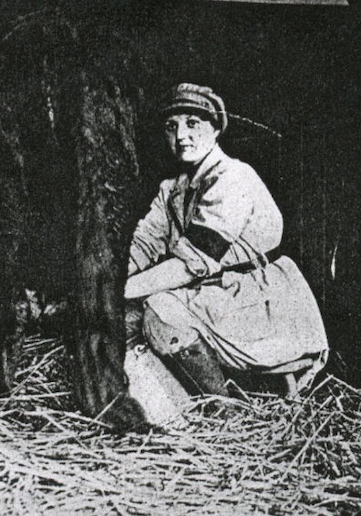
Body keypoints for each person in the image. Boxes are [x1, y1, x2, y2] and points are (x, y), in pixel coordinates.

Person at [124, 83, 329, 398]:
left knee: (160, 313)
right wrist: (107, 284)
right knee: (124, 320)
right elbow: (143, 245)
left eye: (193, 124)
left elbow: (192, 265)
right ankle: (172, 408)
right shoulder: (173, 189)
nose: (181, 136)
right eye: (172, 126)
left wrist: (121, 290)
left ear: (216, 128)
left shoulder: (233, 178)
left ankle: (223, 411)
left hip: (260, 298)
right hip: (215, 295)